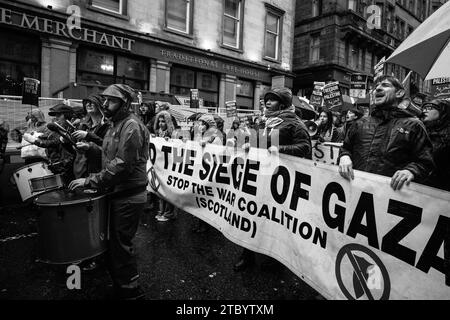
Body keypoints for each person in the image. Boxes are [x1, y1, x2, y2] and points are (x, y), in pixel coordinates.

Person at [68, 84, 150, 300]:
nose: (105, 105)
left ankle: (131, 291)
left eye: (111, 101)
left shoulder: (131, 126)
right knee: (114, 244)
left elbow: (122, 165)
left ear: (125, 103)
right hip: (118, 193)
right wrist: (91, 149)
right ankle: (121, 284)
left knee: (121, 246)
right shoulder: (115, 124)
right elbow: (109, 157)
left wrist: (90, 180)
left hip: (128, 196)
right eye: (103, 100)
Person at [233, 87, 312, 272]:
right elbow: (260, 142)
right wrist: (249, 144)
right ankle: (248, 255)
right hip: (259, 175)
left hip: (280, 179)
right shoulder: (264, 122)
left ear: (283, 103)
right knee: (251, 214)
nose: (267, 102)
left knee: (274, 219)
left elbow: (305, 147)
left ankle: (275, 257)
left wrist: (281, 149)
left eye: (272, 99)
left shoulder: (295, 123)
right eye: (266, 99)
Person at [338, 75, 434, 191]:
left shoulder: (414, 126)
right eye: (376, 86)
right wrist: (344, 157)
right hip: (356, 191)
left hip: (390, 197)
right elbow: (346, 148)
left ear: (399, 93)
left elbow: (425, 162)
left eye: (385, 85)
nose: (377, 88)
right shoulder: (360, 124)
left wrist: (411, 171)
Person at [23, 104, 76, 183]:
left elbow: (55, 142)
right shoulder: (55, 128)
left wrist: (35, 141)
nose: (56, 117)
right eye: (55, 115)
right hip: (57, 165)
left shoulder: (71, 129)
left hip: (67, 167)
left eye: (59, 115)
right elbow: (49, 139)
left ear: (67, 115)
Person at [71, 93, 108, 179]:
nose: (88, 104)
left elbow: (108, 147)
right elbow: (73, 152)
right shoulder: (82, 125)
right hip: (80, 170)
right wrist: (66, 143)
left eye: (92, 102)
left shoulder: (107, 125)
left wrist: (88, 136)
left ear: (99, 105)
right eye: (86, 102)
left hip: (97, 172)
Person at [153, 110, 177, 222]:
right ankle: (161, 211)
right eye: (159, 121)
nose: (161, 124)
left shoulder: (174, 134)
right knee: (160, 190)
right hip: (160, 166)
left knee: (168, 191)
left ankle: (169, 213)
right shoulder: (157, 133)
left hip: (170, 167)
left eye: (163, 121)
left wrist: (171, 142)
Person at [421, 99, 450, 191]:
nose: (424, 110)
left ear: (443, 111)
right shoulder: (420, 130)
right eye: (424, 108)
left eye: (429, 107)